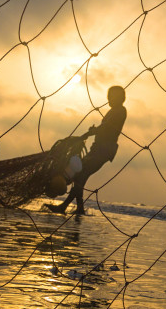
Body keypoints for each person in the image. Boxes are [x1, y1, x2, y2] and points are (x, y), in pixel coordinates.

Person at [48, 86, 127, 215]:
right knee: (80, 175)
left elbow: (106, 128)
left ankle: (66, 207)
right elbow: (104, 127)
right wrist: (93, 131)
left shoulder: (120, 111)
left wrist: (91, 132)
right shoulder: (113, 110)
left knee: (82, 174)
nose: (109, 98)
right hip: (97, 149)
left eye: (112, 96)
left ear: (120, 98)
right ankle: (79, 208)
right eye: (109, 95)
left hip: (103, 151)